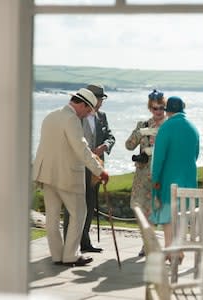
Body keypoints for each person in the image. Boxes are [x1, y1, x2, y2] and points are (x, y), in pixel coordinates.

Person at [33, 87, 110, 267]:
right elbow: (81, 149)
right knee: (79, 214)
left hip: (46, 173)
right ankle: (70, 255)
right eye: (88, 110)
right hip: (67, 175)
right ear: (81, 104)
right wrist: (100, 170)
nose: (87, 114)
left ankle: (57, 256)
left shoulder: (51, 116)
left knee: (51, 218)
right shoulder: (72, 119)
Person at [63, 84, 115, 253]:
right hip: (77, 165)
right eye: (99, 99)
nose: (101, 102)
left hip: (96, 167)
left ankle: (85, 242)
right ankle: (69, 244)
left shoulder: (102, 116)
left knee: (90, 203)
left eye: (102, 99)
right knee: (73, 205)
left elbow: (110, 136)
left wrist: (105, 146)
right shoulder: (77, 116)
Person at [150, 96, 199, 259]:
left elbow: (159, 158)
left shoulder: (166, 127)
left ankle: (171, 250)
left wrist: (155, 179)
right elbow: (196, 155)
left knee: (167, 217)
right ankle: (177, 249)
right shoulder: (193, 128)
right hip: (189, 180)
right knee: (181, 216)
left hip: (169, 180)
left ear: (167, 110)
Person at [125, 89, 166, 257]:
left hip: (161, 175)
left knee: (156, 211)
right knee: (140, 210)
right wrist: (139, 132)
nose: (159, 112)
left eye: (161, 108)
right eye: (155, 108)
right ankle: (147, 243)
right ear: (150, 108)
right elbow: (129, 145)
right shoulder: (143, 125)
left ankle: (151, 244)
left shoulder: (169, 126)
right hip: (142, 176)